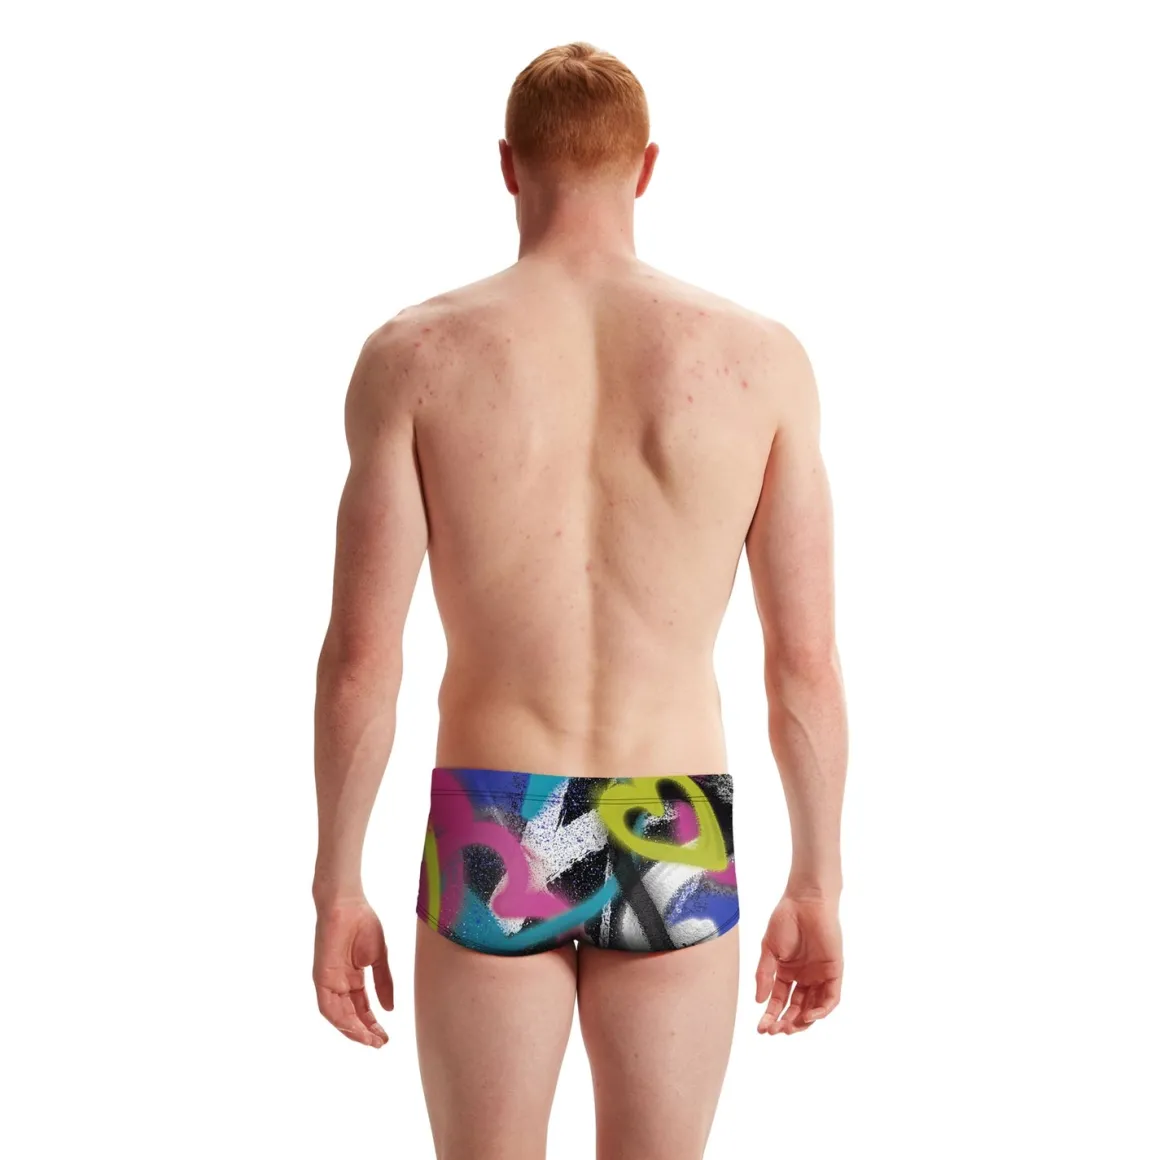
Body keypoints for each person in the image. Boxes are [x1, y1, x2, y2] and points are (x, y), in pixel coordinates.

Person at [312, 41, 847, 1160]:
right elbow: (801, 663)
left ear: (508, 164)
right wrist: (816, 877)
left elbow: (363, 657)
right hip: (673, 816)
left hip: (495, 816)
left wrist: (336, 884)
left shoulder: (415, 356)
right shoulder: (758, 362)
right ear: (644, 168)